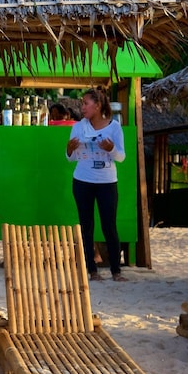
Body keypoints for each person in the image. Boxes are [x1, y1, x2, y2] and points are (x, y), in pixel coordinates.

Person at [66, 88, 127, 282]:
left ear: (98, 105)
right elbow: (71, 159)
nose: (82, 107)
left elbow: (121, 157)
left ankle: (116, 271)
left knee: (109, 225)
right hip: (82, 181)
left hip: (107, 182)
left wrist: (112, 149)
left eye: (86, 103)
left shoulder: (114, 127)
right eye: (82, 103)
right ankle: (91, 270)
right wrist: (69, 150)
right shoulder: (78, 127)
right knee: (86, 226)